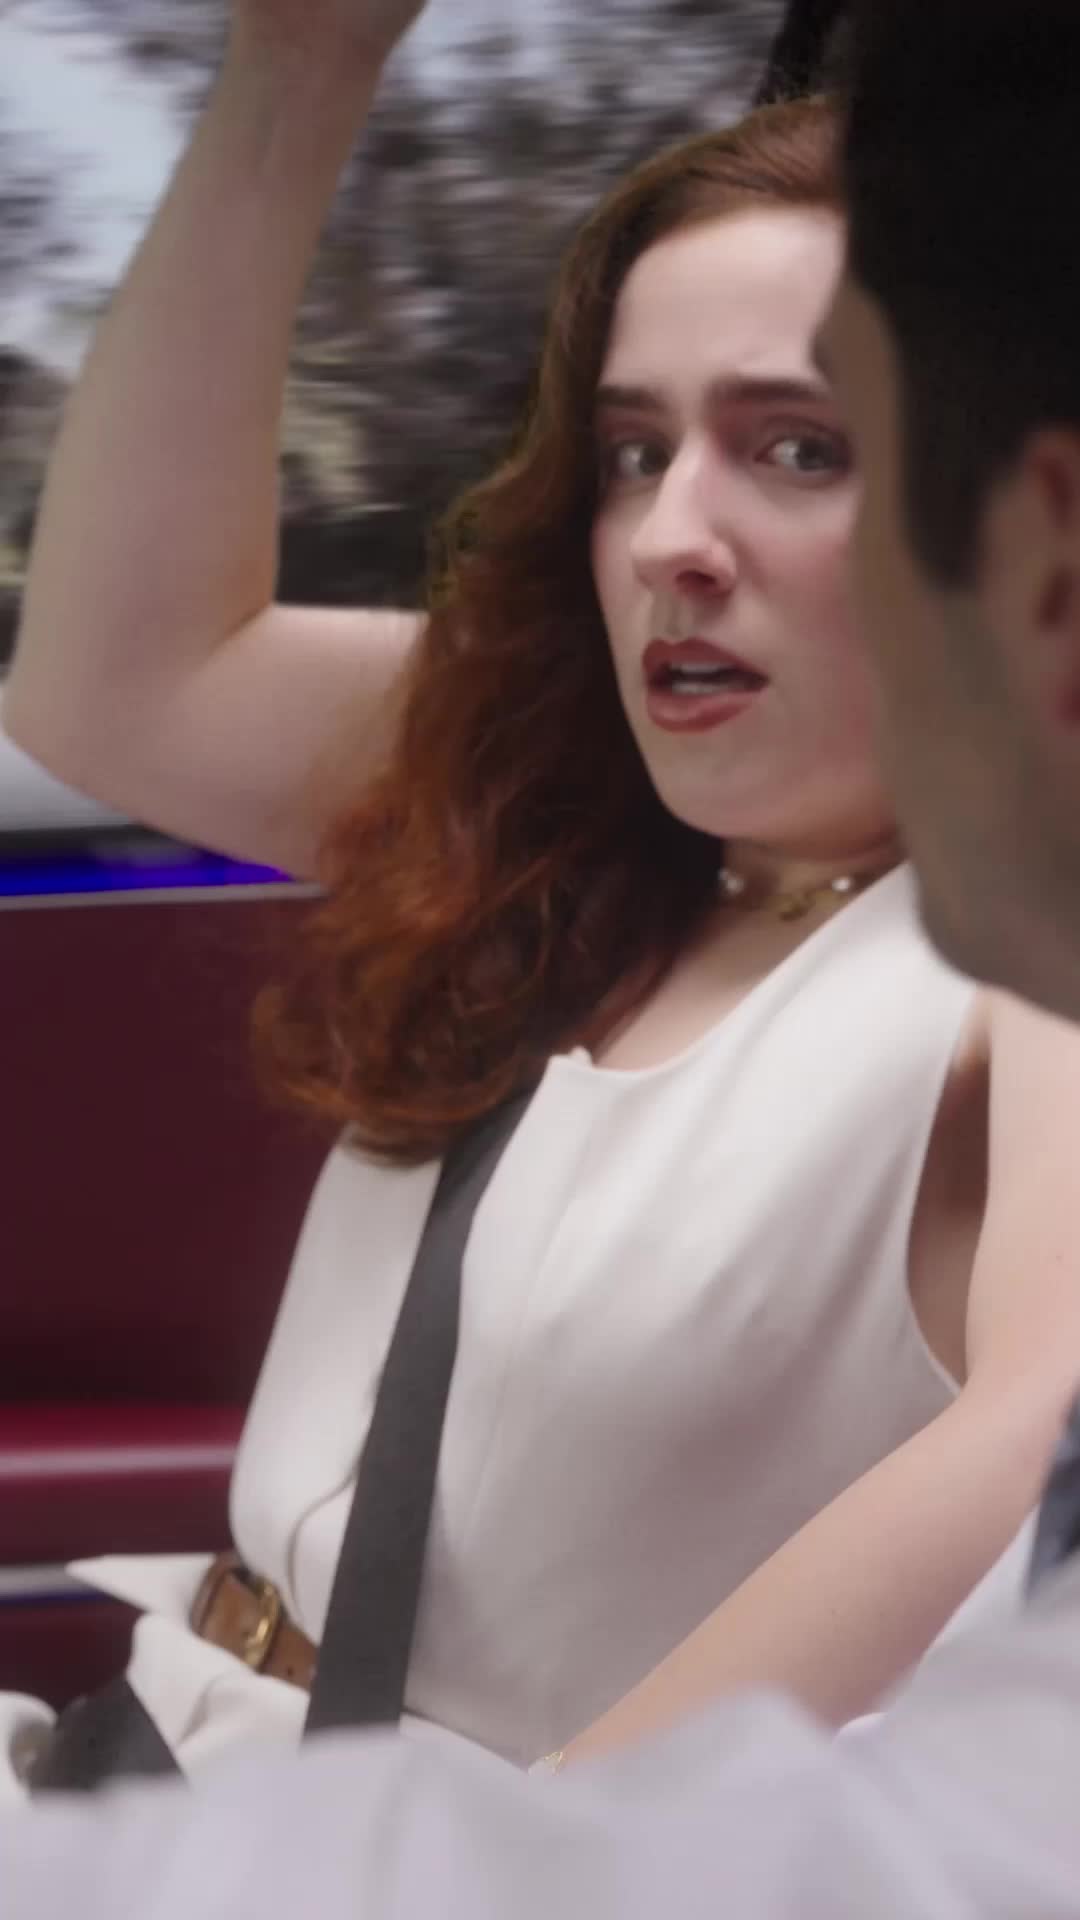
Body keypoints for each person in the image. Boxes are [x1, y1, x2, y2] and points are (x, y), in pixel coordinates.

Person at [9, 0, 1080, 1913]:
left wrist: (540, 1872)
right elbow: (116, 684)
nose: (674, 535)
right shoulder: (595, 806)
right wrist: (298, 69)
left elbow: (1042, 1423)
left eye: (799, 448)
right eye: (632, 451)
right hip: (132, 1777)